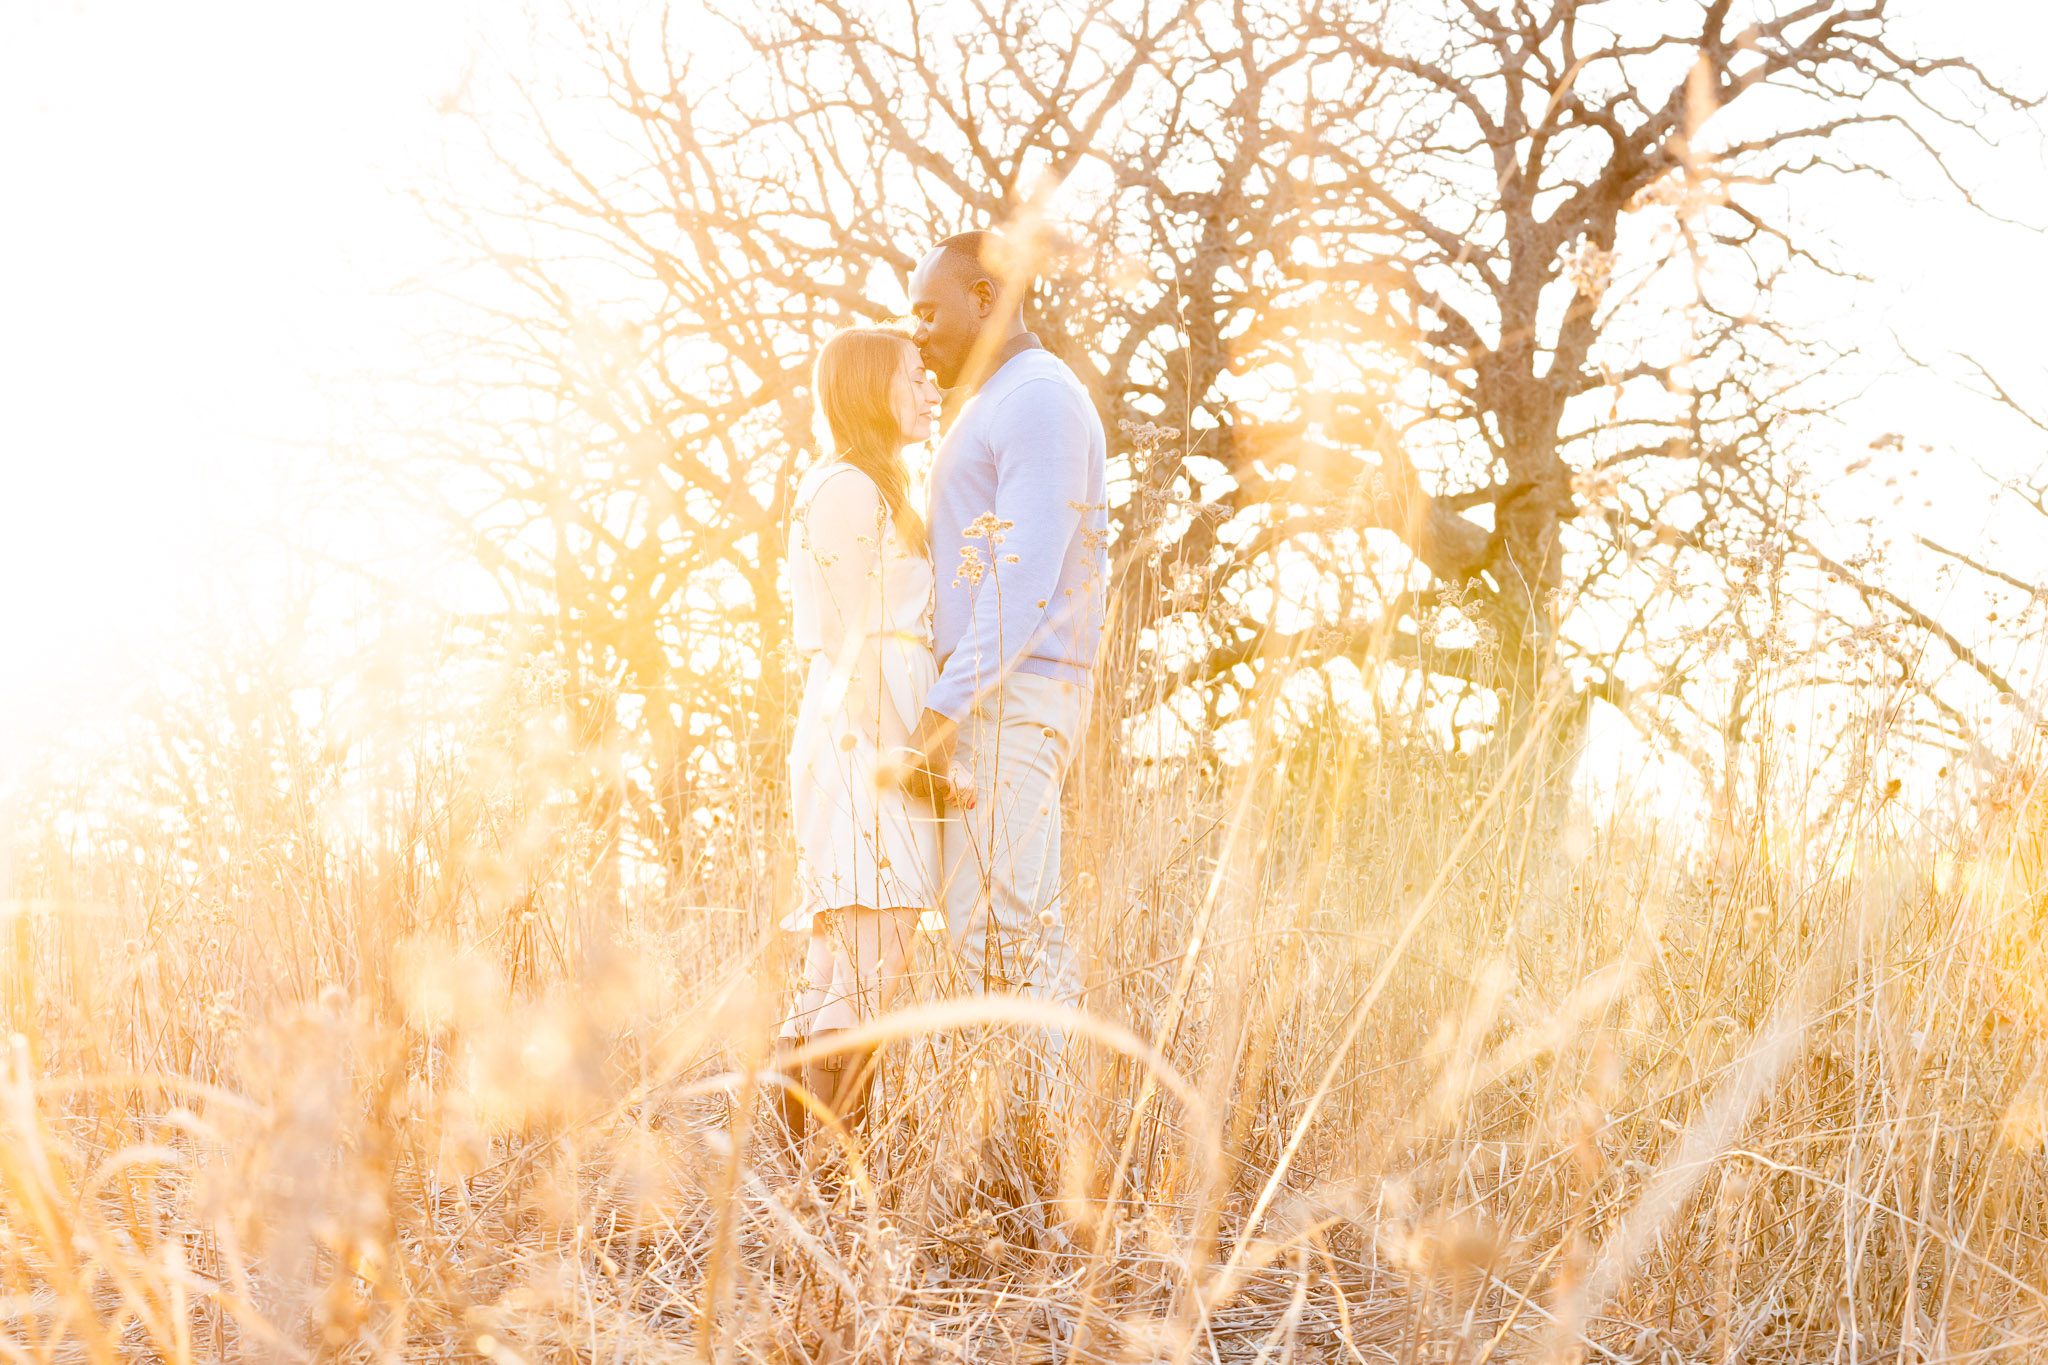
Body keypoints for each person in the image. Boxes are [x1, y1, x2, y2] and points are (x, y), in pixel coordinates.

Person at [902, 230, 1109, 1079]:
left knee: (1005, 934)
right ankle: (1015, 1161)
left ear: (985, 300)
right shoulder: (996, 401)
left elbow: (1018, 580)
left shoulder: (1038, 398)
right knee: (991, 932)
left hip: (1013, 697)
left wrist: (939, 714)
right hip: (996, 694)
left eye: (928, 310)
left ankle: (1038, 1174)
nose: (915, 331)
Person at [777, 324, 970, 1151]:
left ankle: (794, 1186)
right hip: (865, 733)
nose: (932, 391)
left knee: (837, 967)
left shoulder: (870, 485)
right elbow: (854, 633)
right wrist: (899, 751)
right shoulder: (849, 488)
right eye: (914, 377)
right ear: (869, 389)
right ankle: (826, 1179)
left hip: (869, 725)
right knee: (866, 965)